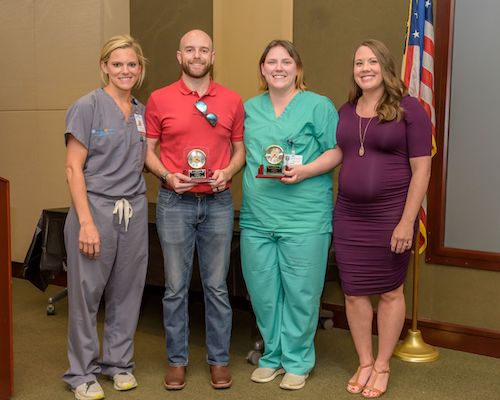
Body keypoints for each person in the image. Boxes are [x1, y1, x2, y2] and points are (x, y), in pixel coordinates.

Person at [144, 29, 245, 390]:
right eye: (190, 49)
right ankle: (177, 360)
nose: (197, 55)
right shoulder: (159, 99)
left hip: (218, 202)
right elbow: (148, 152)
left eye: (203, 50)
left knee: (217, 286)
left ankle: (219, 359)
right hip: (174, 203)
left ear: (213, 56)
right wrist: (168, 176)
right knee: (174, 287)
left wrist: (228, 172)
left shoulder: (232, 100)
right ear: (179, 56)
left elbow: (240, 152)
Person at [240, 40, 342, 390]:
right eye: (271, 62)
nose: (279, 67)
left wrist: (306, 171)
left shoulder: (319, 106)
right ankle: (272, 355)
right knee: (263, 292)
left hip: (305, 217)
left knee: (301, 292)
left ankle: (298, 360)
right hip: (257, 218)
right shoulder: (249, 109)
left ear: (298, 69)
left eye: (286, 61)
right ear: (262, 69)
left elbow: (337, 151)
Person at [333, 39, 432, 398]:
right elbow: (337, 153)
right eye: (359, 63)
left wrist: (407, 221)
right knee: (354, 293)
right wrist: (301, 170)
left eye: (372, 61)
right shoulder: (346, 110)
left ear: (386, 66)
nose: (365, 68)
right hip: (348, 215)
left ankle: (383, 364)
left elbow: (422, 171)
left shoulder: (410, 109)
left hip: (391, 215)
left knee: (390, 292)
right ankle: (364, 360)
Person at [63, 34, 148, 400]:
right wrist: (85, 222)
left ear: (140, 69)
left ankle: (118, 364)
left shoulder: (142, 112)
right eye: (117, 64)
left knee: (128, 292)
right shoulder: (87, 106)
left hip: (134, 211)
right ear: (104, 67)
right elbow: (72, 168)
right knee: (86, 295)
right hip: (94, 209)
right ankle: (81, 372)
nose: (125, 70)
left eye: (131, 64)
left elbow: (146, 159)